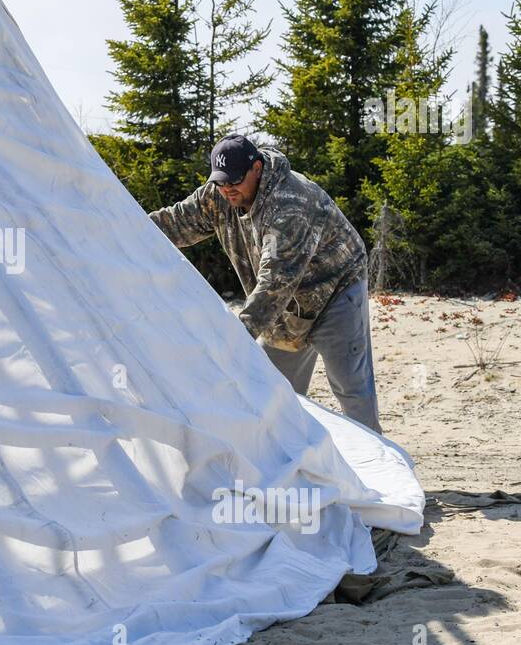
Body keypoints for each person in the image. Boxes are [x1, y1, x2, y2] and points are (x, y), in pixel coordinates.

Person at [149, 135, 381, 433]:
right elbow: (175, 223)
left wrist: (236, 337)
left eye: (234, 181)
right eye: (220, 182)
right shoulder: (219, 193)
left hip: (334, 292)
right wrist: (119, 226)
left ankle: (380, 475)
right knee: (273, 392)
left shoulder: (290, 203)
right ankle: (294, 466)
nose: (227, 189)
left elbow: (276, 281)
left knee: (352, 389)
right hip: (283, 307)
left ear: (257, 168)